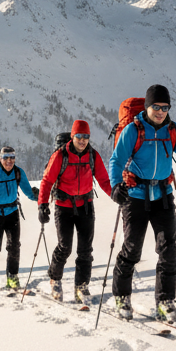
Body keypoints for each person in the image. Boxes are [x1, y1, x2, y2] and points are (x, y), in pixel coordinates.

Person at [108, 85, 176, 321]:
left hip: (163, 196)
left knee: (168, 249)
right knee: (132, 249)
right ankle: (121, 296)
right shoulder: (133, 130)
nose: (160, 111)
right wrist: (116, 185)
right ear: (147, 107)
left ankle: (165, 300)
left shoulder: (173, 130)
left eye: (164, 107)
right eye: (156, 107)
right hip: (136, 196)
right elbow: (116, 160)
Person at [38, 120, 113, 304]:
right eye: (79, 136)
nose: (82, 140)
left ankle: (81, 286)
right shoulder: (61, 155)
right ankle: (55, 278)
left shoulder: (92, 156)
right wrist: (43, 205)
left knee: (85, 250)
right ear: (73, 136)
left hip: (86, 205)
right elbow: (47, 181)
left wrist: (116, 195)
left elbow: (104, 180)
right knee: (65, 247)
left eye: (86, 136)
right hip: (63, 207)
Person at [0, 146, 38, 290]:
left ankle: (12, 276)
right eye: (6, 158)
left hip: (12, 213)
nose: (9, 161)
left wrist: (41, 198)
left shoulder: (18, 172)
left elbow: (28, 191)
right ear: (0, 159)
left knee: (14, 246)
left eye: (12, 157)